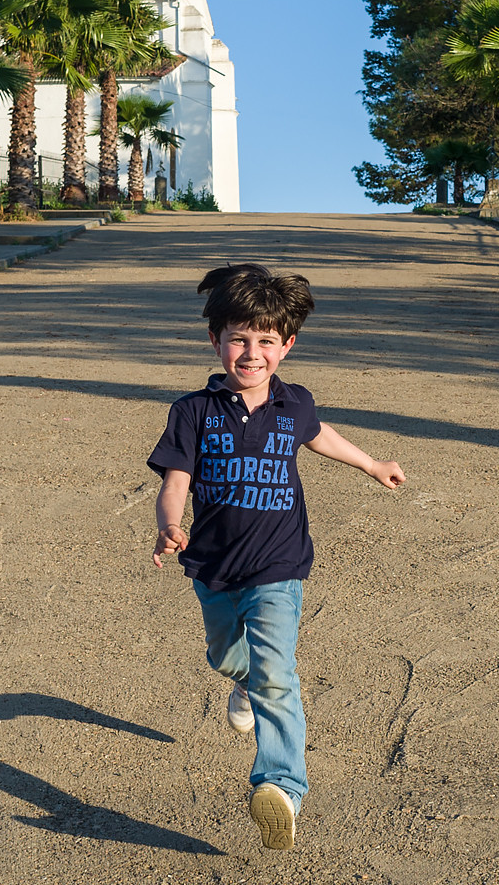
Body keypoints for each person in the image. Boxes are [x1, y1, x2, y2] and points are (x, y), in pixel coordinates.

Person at [148, 263, 406, 852]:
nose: (251, 352)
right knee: (227, 657)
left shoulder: (294, 405)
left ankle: (282, 787)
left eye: (266, 341)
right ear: (215, 340)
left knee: (277, 674)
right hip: (213, 565)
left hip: (278, 567)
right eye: (239, 338)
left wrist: (370, 464)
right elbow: (176, 478)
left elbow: (320, 435)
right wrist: (169, 525)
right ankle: (243, 686)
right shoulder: (192, 411)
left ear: (287, 346)